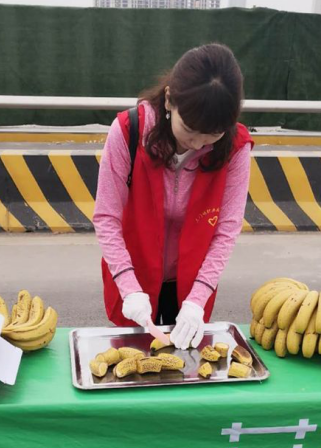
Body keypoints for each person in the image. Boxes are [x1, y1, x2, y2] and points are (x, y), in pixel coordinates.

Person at [94, 43, 254, 351]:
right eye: (190, 129)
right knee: (132, 360)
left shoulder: (235, 148)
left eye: (213, 134)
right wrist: (128, 287)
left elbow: (226, 230)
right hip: (135, 276)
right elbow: (107, 217)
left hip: (192, 282)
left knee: (186, 360)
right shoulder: (129, 131)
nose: (198, 144)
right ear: (169, 99)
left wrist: (197, 299)